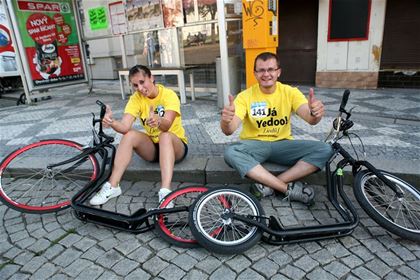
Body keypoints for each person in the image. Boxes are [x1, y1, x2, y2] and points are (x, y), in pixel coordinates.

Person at [220, 52, 333, 205]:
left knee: (325, 149)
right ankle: (286, 189)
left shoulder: (290, 92)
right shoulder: (245, 96)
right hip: (255, 145)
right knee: (231, 152)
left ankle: (268, 185)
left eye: (271, 69)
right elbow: (229, 130)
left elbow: (310, 119)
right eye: (261, 70)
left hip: (283, 145)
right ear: (255, 73)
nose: (266, 74)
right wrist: (226, 121)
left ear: (278, 72)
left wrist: (315, 113)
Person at [90, 65, 188, 206]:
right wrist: (111, 122)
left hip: (176, 146)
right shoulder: (136, 98)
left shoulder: (168, 95)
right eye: (135, 85)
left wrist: (159, 120)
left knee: (164, 135)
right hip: (154, 149)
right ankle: (113, 186)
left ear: (151, 78)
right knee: (129, 135)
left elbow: (166, 126)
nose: (140, 88)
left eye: (142, 82)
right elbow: (124, 127)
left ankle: (165, 191)